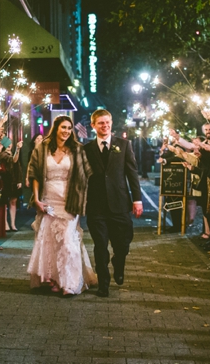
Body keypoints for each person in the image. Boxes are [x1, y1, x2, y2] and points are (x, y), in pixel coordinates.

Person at [27, 115, 96, 296]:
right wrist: (36, 199)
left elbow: (86, 175)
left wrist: (83, 196)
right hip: (48, 199)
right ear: (56, 128)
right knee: (49, 242)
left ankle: (70, 283)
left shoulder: (77, 150)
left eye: (69, 128)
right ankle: (55, 279)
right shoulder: (42, 149)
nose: (66, 131)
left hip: (70, 201)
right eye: (63, 127)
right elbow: (34, 174)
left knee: (67, 240)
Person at [84, 109, 143, 297]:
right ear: (93, 126)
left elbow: (132, 174)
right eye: (101, 123)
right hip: (96, 206)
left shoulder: (124, 145)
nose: (105, 126)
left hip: (119, 203)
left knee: (123, 241)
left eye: (107, 122)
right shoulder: (86, 149)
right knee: (100, 246)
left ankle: (119, 263)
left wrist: (137, 199)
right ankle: (103, 284)